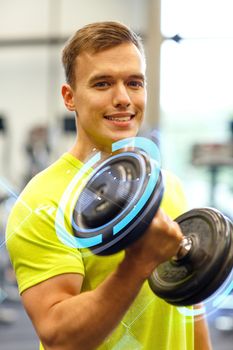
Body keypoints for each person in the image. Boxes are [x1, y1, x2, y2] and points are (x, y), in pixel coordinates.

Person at [6, 21, 212, 350]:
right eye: (103, 84)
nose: (123, 98)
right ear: (69, 97)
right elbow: (60, 338)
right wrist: (138, 262)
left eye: (134, 83)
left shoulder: (166, 185)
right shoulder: (42, 204)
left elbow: (192, 305)